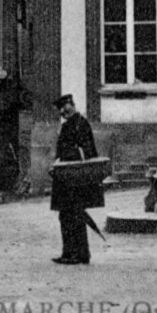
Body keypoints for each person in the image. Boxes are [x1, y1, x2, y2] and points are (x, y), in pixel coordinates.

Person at [50, 94, 103, 265]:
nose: (62, 111)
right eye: (60, 109)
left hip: (76, 180)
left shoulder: (81, 124)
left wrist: (63, 158)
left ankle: (76, 254)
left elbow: (88, 151)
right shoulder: (68, 125)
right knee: (67, 216)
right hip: (66, 179)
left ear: (72, 105)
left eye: (65, 107)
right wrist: (57, 163)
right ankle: (73, 253)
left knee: (74, 216)